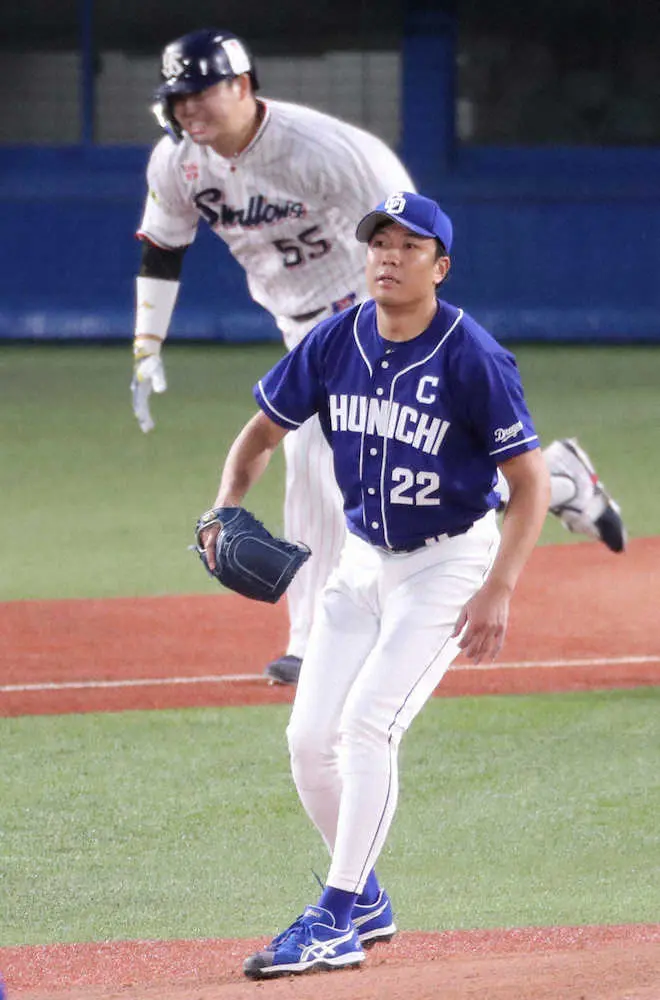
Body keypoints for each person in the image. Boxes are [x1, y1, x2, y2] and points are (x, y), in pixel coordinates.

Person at [131, 27, 626, 688]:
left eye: (201, 91)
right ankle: (558, 480)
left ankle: (309, 640)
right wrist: (146, 343)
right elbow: (163, 248)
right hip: (295, 322)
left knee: (315, 460)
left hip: (364, 315)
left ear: (242, 86)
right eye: (178, 95)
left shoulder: (322, 150)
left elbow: (411, 231)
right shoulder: (177, 163)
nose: (187, 107)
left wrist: (409, 317)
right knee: (409, 472)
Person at [198, 191, 551, 978]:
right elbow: (263, 431)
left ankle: (333, 919)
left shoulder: (473, 356)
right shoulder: (335, 339)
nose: (389, 257)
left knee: (367, 728)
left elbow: (530, 483)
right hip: (360, 562)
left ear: (440, 266)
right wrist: (225, 504)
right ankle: (366, 899)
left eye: (409, 246)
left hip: (447, 565)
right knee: (307, 741)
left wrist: (499, 587)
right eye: (379, 243)